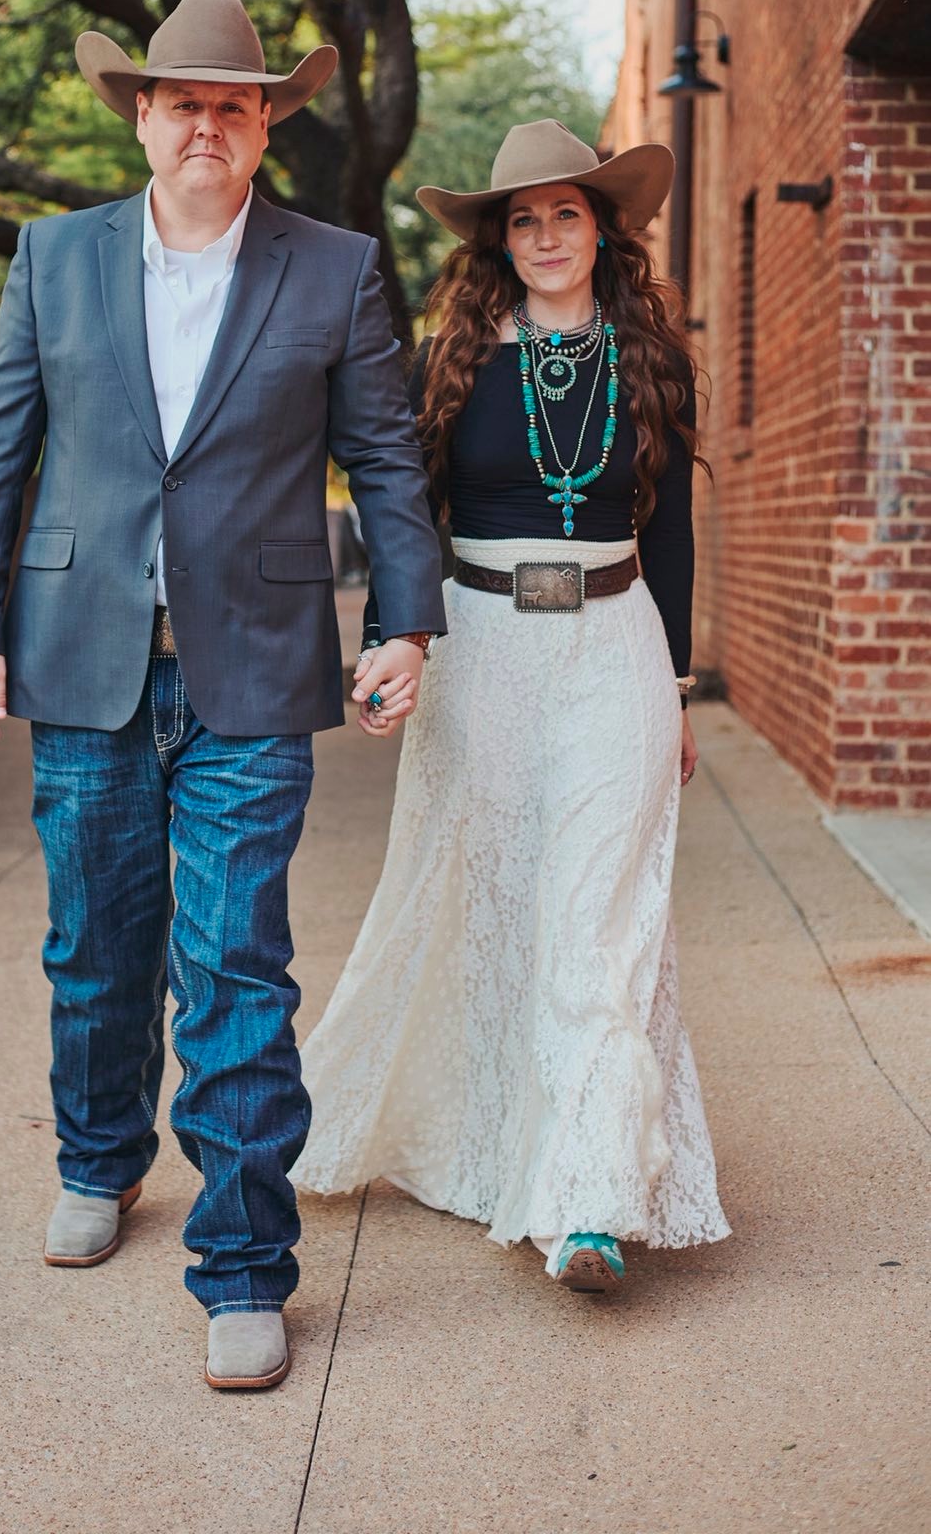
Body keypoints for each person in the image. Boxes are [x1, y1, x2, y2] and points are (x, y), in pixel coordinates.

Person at [0, 0, 446, 1387]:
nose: (206, 123)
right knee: (97, 948)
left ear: (264, 124)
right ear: (141, 120)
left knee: (233, 966)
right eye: (182, 103)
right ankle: (98, 1158)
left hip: (256, 666)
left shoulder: (333, 268)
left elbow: (383, 459)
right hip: (79, 657)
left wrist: (405, 622)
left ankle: (242, 1262)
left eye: (233, 103)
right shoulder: (54, 257)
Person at [293, 119, 731, 1291]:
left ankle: (586, 1199)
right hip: (480, 647)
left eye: (565, 214)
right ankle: (494, 1147)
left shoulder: (655, 361)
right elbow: (402, 513)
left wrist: (675, 688)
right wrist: (399, 637)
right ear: (499, 239)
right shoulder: (448, 360)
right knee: (481, 904)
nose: (544, 235)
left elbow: (671, 534)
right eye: (522, 219)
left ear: (603, 230)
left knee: (594, 917)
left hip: (614, 647)